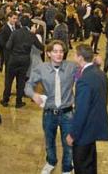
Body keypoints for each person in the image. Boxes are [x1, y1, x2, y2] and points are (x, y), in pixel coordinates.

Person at [25, 40, 78, 174]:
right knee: (49, 141)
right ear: (48, 53)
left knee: (69, 143)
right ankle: (51, 161)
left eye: (61, 51)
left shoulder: (71, 67)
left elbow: (85, 71)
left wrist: (95, 63)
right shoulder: (41, 69)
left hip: (67, 113)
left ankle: (67, 168)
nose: (59, 54)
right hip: (49, 112)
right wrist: (33, 94)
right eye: (55, 51)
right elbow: (28, 85)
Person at [66, 44, 108, 174]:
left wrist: (73, 134)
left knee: (81, 166)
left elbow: (81, 111)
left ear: (80, 57)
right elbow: (104, 99)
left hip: (85, 131)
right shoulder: (101, 73)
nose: (74, 57)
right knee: (91, 163)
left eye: (75, 54)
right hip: (95, 126)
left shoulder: (84, 80)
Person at [1, 15, 44, 108]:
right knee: (21, 81)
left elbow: (8, 46)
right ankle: (19, 101)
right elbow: (40, 47)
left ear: (20, 23)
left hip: (13, 59)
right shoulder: (31, 35)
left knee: (9, 81)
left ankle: (5, 100)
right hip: (25, 60)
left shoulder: (15, 33)